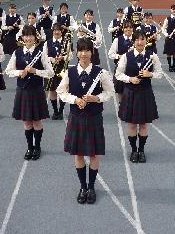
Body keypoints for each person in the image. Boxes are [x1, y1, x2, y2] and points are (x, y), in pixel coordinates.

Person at [57, 38, 114, 204]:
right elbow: (61, 91)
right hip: (76, 118)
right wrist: (75, 100)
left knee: (94, 154)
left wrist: (96, 98)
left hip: (94, 117)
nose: (83, 54)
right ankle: (83, 186)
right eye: (80, 50)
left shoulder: (101, 73)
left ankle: (91, 187)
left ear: (92, 52)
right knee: (79, 154)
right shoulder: (70, 72)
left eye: (87, 50)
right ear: (76, 52)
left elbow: (110, 92)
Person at [6, 25, 54, 160]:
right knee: (27, 122)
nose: (28, 38)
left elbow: (51, 73)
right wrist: (19, 72)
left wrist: (36, 71)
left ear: (35, 37)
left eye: (31, 35)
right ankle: (29, 147)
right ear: (22, 38)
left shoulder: (41, 53)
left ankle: (37, 147)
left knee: (37, 122)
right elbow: (8, 71)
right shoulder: (17, 52)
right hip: (23, 91)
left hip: (36, 90)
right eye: (25, 35)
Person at [116, 30, 162, 163]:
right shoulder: (126, 56)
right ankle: (133, 150)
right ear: (133, 41)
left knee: (143, 125)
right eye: (137, 40)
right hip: (130, 93)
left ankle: (141, 150)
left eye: (142, 39)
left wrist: (150, 74)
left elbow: (159, 73)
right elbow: (118, 74)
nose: (140, 42)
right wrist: (130, 79)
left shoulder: (152, 56)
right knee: (131, 125)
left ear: (145, 41)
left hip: (145, 93)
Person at [43, 23, 73, 120]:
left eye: (58, 30)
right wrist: (51, 59)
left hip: (62, 70)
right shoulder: (47, 43)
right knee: (52, 91)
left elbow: (71, 56)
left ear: (62, 31)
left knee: (62, 90)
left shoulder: (67, 42)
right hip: (51, 70)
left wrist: (63, 57)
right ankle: (55, 111)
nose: (57, 32)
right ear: (52, 31)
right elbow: (43, 57)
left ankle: (61, 111)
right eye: (55, 30)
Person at [108, 20, 134, 102]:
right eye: (126, 27)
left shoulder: (136, 39)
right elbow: (111, 54)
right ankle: (121, 107)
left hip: (133, 69)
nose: (128, 29)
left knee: (133, 90)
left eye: (130, 27)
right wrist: (120, 56)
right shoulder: (117, 40)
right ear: (123, 29)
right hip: (120, 68)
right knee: (120, 90)